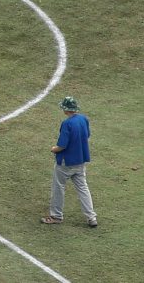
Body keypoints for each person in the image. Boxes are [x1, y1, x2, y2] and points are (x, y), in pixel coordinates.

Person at [41, 96, 98, 228]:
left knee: (58, 187)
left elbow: (62, 145)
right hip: (81, 161)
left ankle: (56, 216)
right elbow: (87, 135)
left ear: (66, 110)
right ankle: (91, 217)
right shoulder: (83, 119)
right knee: (83, 188)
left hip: (66, 163)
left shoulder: (67, 124)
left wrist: (54, 149)